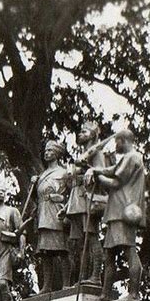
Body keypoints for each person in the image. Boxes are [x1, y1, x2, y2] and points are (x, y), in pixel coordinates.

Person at [87, 129, 146, 301]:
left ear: (123, 141)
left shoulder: (132, 157)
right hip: (116, 211)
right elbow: (113, 169)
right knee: (109, 254)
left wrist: (98, 178)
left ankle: (134, 294)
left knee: (129, 250)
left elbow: (115, 181)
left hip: (124, 211)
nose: (115, 146)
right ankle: (105, 294)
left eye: (117, 142)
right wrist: (97, 170)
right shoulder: (127, 159)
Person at [65, 121, 106, 286]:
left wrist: (91, 170)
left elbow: (102, 171)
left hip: (88, 197)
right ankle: (83, 276)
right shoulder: (83, 153)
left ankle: (95, 276)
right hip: (76, 198)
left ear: (93, 134)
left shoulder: (96, 153)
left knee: (92, 237)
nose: (80, 134)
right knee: (80, 241)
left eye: (85, 131)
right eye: (80, 132)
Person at [32, 140, 70, 293]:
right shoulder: (41, 175)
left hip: (56, 212)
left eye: (50, 150)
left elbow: (73, 193)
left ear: (57, 153)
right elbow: (36, 196)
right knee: (45, 251)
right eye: (46, 151)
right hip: (43, 213)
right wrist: (35, 184)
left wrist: (63, 202)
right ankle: (46, 285)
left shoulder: (64, 173)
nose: (46, 153)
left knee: (62, 249)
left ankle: (66, 283)